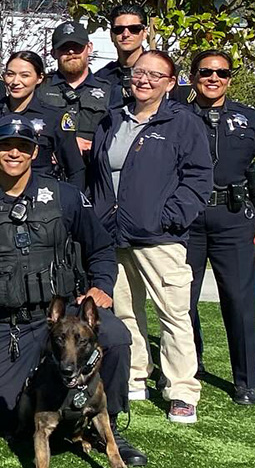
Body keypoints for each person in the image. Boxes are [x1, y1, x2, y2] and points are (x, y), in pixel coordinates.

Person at [0, 114, 146, 466]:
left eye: (23, 147)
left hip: (65, 319)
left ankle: (108, 424)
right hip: (9, 325)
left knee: (117, 337)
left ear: (34, 153)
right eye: (5, 147)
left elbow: (101, 248)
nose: (14, 153)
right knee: (7, 419)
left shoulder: (65, 196)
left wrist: (101, 285)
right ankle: (58, 409)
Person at [88, 50, 212, 423]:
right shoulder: (113, 119)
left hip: (160, 238)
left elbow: (198, 178)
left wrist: (169, 218)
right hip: (114, 234)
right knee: (125, 310)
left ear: (170, 83)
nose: (143, 80)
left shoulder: (182, 123)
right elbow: (98, 173)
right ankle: (136, 375)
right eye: (139, 73)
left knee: (173, 314)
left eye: (154, 75)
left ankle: (181, 390)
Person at [185, 51, 255, 406]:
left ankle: (246, 382)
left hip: (235, 219)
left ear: (229, 78)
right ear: (193, 76)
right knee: (182, 301)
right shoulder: (176, 116)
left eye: (221, 73)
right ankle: (187, 366)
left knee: (240, 303)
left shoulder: (250, 119)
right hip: (188, 219)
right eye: (206, 71)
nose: (214, 78)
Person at [0, 50, 85, 188]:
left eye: (25, 75)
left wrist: (71, 204)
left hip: (41, 198)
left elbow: (75, 169)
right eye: (10, 74)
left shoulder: (54, 117)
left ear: (39, 78)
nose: (15, 82)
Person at [38, 21, 121, 154]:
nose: (71, 52)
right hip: (49, 170)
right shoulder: (39, 89)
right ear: (53, 53)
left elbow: (119, 137)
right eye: (64, 47)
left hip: (92, 169)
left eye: (77, 46)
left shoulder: (110, 91)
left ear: (89, 48)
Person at [93, 4, 150, 102]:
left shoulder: (162, 73)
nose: (126, 34)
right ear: (111, 35)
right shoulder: (100, 79)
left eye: (134, 29)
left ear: (144, 33)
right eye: (119, 29)